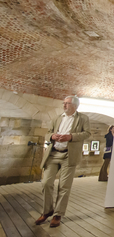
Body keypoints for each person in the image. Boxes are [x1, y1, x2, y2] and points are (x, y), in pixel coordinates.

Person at [35, 96, 91, 227]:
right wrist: (52, 136)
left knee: (64, 186)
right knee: (46, 183)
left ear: (75, 106)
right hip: (53, 154)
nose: (64, 105)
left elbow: (87, 133)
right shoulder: (57, 118)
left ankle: (58, 214)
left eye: (67, 103)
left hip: (69, 156)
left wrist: (70, 137)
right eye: (64, 103)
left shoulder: (83, 118)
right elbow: (48, 133)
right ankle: (47, 211)